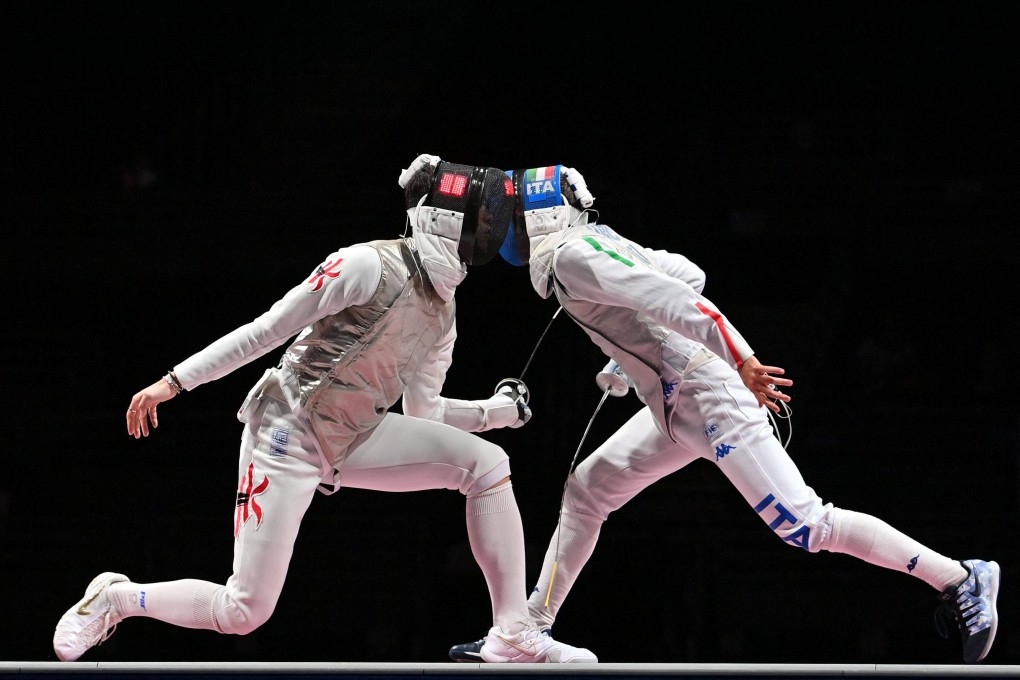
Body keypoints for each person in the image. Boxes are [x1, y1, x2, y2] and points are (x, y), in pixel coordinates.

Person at [52, 155, 597, 664]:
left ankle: (513, 632)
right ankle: (118, 598)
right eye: (481, 220)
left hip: (356, 438)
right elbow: (267, 330)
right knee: (244, 612)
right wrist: (175, 382)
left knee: (487, 465)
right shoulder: (365, 264)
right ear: (446, 220)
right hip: (286, 433)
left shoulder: (443, 315)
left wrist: (492, 413)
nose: (488, 233)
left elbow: (424, 412)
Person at [449, 164, 999, 664]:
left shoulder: (574, 255)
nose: (507, 232)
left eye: (514, 217)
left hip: (710, 395)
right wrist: (629, 363)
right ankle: (527, 632)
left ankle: (959, 578)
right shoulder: (590, 246)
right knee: (588, 489)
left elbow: (685, 302)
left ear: (538, 216)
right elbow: (686, 272)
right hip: (670, 403)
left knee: (807, 525)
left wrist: (743, 361)